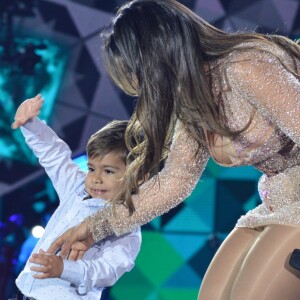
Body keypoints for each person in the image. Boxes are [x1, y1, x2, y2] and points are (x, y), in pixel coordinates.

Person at [38, 0, 300, 298]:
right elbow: (174, 183)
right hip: (278, 197)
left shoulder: (244, 67)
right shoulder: (194, 101)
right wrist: (94, 228)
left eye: (140, 74)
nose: (144, 89)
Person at [11, 94, 142, 299]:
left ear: (136, 176)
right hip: (25, 291)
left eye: (108, 171)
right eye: (91, 168)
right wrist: (30, 124)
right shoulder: (77, 188)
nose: (96, 178)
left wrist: (64, 268)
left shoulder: (128, 227)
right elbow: (55, 156)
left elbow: (106, 272)